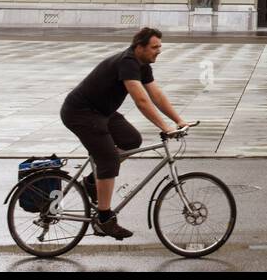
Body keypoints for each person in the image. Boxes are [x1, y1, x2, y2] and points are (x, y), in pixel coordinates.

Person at [60, 27, 186, 241]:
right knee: (108, 159)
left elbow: (155, 95)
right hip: (80, 113)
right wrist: (165, 128)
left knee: (132, 140)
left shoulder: (142, 65)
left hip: (102, 112)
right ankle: (104, 219)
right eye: (155, 47)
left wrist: (178, 120)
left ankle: (92, 182)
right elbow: (142, 101)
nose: (159, 51)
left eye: (160, 47)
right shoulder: (127, 62)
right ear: (140, 47)